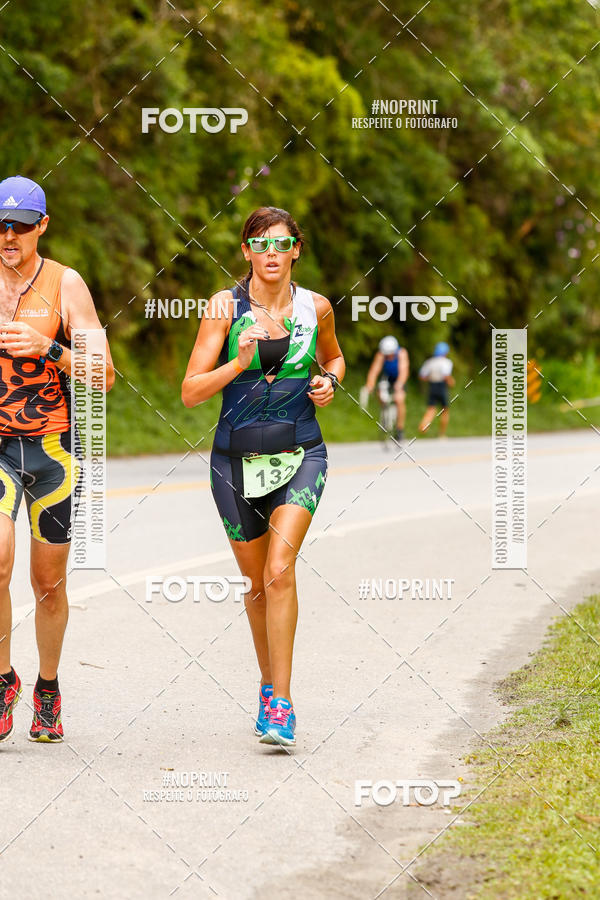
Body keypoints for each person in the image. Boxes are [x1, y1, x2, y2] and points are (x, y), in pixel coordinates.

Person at [182, 206, 344, 747]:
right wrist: (237, 362)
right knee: (256, 585)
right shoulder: (224, 309)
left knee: (279, 571)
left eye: (281, 244)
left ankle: (283, 701)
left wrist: (329, 383)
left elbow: (335, 359)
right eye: (260, 244)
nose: (271, 254)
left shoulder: (314, 308)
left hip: (302, 453)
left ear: (297, 249)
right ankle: (267, 686)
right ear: (245, 251)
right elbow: (191, 391)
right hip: (233, 462)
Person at [0, 175, 115, 743]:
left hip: (52, 448)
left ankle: (47, 688)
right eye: (0, 224)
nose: (8, 235)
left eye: (20, 225)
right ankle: (2, 680)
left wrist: (48, 347)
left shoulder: (66, 285)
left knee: (47, 584)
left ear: (41, 226)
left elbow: (105, 376)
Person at [363, 335, 409, 440]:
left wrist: (400, 384)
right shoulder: (381, 355)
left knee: (399, 399)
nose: (388, 357)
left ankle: (399, 429)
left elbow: (404, 370)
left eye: (390, 355)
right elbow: (374, 371)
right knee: (380, 392)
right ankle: (384, 413)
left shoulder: (402, 353)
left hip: (399, 378)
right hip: (387, 378)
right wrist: (370, 384)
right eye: (387, 355)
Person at [418, 342, 455, 437]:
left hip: (432, 386)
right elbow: (446, 375)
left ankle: (423, 427)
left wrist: (430, 378)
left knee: (431, 408)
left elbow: (422, 376)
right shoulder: (446, 362)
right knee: (445, 410)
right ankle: (442, 433)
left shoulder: (429, 362)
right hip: (441, 386)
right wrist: (451, 382)